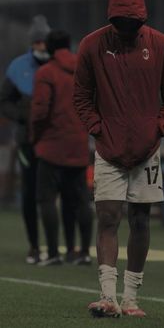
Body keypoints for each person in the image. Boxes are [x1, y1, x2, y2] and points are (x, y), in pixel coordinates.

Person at [74, 0, 164, 318]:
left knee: (140, 219)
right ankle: (108, 296)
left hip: (147, 149)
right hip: (108, 149)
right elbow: (81, 96)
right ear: (112, 18)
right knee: (108, 217)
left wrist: (160, 126)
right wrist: (97, 128)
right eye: (121, 22)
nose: (127, 28)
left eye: (133, 23)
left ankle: (132, 298)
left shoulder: (162, 45)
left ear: (142, 18)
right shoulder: (91, 45)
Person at [30, 30, 93, 266]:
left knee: (47, 199)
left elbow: (39, 111)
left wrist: (35, 138)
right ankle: (84, 252)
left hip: (51, 145)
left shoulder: (46, 72)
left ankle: (54, 253)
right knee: (80, 200)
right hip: (78, 144)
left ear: (49, 47)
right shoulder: (84, 70)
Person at [0, 15, 51, 264]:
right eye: (38, 42)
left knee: (56, 193)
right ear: (32, 43)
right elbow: (3, 101)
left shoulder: (60, 65)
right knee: (30, 192)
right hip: (27, 140)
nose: (42, 46)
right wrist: (22, 116)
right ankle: (34, 245)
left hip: (56, 141)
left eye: (45, 42)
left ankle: (64, 248)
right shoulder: (17, 66)